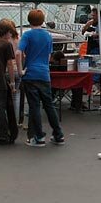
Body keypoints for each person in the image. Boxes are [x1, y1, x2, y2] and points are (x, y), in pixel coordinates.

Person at [16, 9, 65, 147]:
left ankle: (38, 136)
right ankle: (58, 134)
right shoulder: (48, 36)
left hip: (30, 73)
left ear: (29, 20)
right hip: (44, 73)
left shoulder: (27, 35)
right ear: (43, 20)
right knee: (49, 105)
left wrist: (21, 71)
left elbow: (18, 53)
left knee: (34, 106)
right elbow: (49, 56)